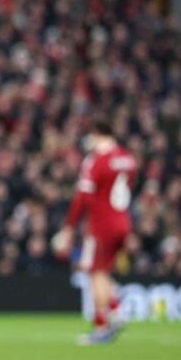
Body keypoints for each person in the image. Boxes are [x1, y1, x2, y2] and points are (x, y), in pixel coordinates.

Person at [53, 121, 138, 345]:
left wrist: (69, 227)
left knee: (95, 273)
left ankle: (102, 325)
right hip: (122, 221)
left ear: (98, 134)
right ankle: (116, 309)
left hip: (101, 224)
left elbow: (82, 196)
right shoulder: (127, 158)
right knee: (104, 271)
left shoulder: (96, 160)